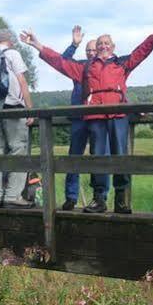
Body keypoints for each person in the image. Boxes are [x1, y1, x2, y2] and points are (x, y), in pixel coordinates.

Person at [22, 10, 153, 214]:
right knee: (98, 158)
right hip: (95, 117)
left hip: (118, 116)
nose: (103, 46)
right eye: (100, 44)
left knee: (121, 157)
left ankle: (121, 200)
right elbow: (60, 62)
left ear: (113, 47)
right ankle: (99, 199)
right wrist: (37, 45)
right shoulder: (85, 68)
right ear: (96, 49)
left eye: (107, 43)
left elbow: (143, 50)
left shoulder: (122, 63)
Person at [0, 30, 35, 208]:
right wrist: (30, 110)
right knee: (18, 150)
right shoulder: (12, 54)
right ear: (10, 41)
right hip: (13, 108)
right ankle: (12, 196)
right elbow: (22, 81)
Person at [59, 27, 103, 210]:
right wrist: (74, 45)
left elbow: (116, 89)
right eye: (88, 51)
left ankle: (99, 197)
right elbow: (62, 61)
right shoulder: (79, 68)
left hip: (97, 117)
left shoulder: (104, 68)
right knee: (74, 157)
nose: (91, 53)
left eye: (94, 50)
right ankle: (71, 197)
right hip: (78, 117)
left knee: (98, 157)